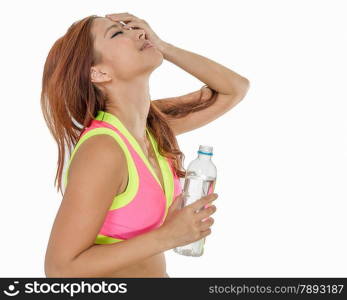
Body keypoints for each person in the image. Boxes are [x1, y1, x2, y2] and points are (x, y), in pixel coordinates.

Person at [42, 12, 249, 278]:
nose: (139, 33)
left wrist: (162, 46)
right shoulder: (104, 149)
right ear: (99, 72)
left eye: (131, 28)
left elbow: (234, 88)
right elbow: (60, 270)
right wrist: (167, 236)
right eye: (117, 33)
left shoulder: (152, 126)